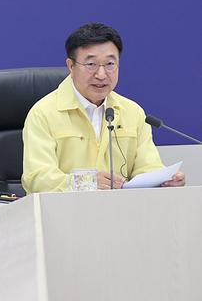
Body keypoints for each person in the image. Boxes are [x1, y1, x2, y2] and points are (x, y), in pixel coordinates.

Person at [22, 22, 185, 193]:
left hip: (121, 208)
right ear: (71, 66)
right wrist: (87, 182)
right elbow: (37, 179)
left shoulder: (133, 112)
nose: (101, 75)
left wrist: (163, 180)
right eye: (91, 64)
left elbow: (147, 167)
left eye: (110, 64)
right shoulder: (43, 113)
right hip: (65, 209)